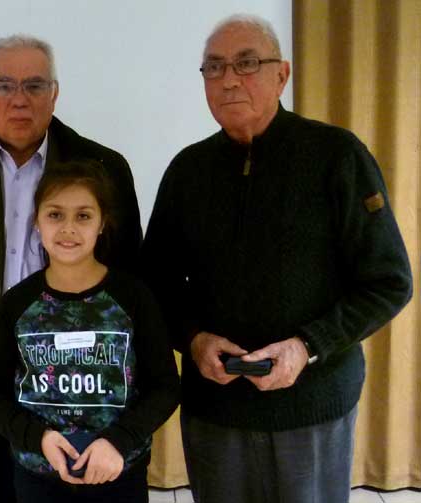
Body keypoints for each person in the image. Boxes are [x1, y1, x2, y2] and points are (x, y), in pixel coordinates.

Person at [141, 13, 413, 503]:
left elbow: (388, 281)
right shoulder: (187, 171)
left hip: (311, 408)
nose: (229, 79)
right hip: (216, 411)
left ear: (282, 75)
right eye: (214, 67)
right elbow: (154, 282)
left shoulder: (336, 156)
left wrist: (307, 347)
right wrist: (193, 339)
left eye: (246, 63)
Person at [0, 35, 143, 503]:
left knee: (50, 489)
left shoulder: (102, 167)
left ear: (55, 94)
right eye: (4, 85)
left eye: (34, 86)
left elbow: (131, 284)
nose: (19, 100)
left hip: (73, 374)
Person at [0, 160, 179, 503]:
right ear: (37, 221)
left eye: (83, 216)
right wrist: (38, 438)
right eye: (55, 214)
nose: (68, 228)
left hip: (118, 473)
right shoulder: (16, 304)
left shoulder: (133, 298)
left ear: (102, 223)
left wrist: (118, 441)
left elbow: (165, 388)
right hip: (38, 475)